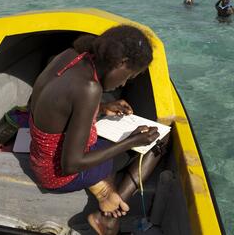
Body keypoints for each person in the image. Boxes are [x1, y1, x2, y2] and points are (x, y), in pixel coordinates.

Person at [29, 25, 168, 235]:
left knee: (115, 140)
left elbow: (55, 104)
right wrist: (131, 142)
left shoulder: (70, 56)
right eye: (128, 76)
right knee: (158, 141)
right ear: (121, 63)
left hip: (39, 156)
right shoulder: (90, 89)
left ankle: (106, 195)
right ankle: (108, 218)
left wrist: (102, 108)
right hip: (57, 174)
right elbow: (71, 164)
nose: (124, 82)